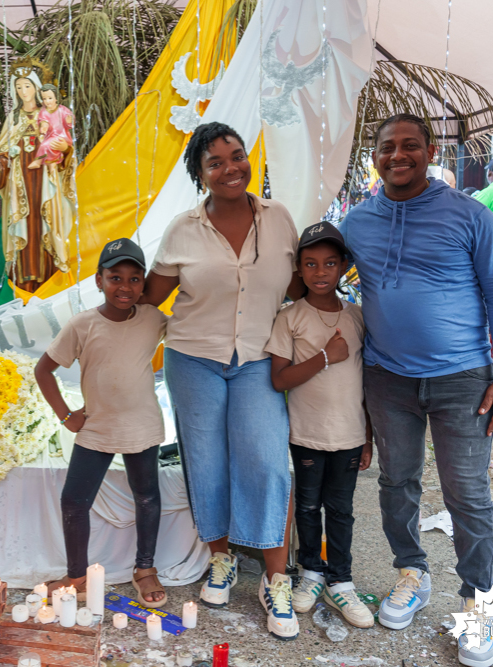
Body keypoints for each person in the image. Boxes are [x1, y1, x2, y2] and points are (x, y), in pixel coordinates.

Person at [341, 113, 493, 667]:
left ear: (429, 150)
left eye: (410, 146)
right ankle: (411, 572)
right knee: (397, 481)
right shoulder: (358, 222)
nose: (399, 155)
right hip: (386, 378)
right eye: (387, 147)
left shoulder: (469, 216)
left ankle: (478, 603)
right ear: (375, 157)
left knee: (467, 493)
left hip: (462, 377)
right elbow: (316, 274)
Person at [141, 122, 304, 639]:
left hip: (258, 358)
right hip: (193, 359)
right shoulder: (182, 229)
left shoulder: (278, 218)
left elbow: (300, 284)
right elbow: (151, 296)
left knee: (264, 457)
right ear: (200, 174)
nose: (231, 167)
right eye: (216, 162)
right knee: (206, 459)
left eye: (236, 156)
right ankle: (222, 557)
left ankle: (276, 578)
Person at [34, 238, 168, 607]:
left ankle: (145, 569)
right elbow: (43, 370)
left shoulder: (154, 319)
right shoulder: (82, 324)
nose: (124, 287)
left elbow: (191, 336)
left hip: (142, 426)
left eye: (134, 279)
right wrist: (65, 415)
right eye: (115, 278)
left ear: (143, 284)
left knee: (147, 497)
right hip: (97, 427)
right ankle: (76, 576)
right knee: (74, 501)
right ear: (98, 281)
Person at [265, 223, 375, 630]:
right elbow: (279, 379)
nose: (320, 271)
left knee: (341, 510)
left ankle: (340, 580)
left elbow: (365, 383)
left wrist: (367, 437)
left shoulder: (358, 317)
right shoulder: (289, 319)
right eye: (310, 264)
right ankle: (311, 573)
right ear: (298, 268)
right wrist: (326, 357)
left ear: (344, 266)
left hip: (348, 435)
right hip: (306, 435)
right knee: (308, 508)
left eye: (330, 263)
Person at [0, 61, 75, 293]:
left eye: (27, 86)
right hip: (20, 182)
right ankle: (23, 285)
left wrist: (64, 149)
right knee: (23, 223)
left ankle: (50, 282)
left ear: (36, 87)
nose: (23, 92)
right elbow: (3, 152)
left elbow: (65, 147)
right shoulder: (13, 118)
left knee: (46, 222)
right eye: (18, 87)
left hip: (45, 179)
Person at [29, 84, 74, 170]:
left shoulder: (62, 109)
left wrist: (69, 121)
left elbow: (69, 122)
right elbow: (43, 121)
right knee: (49, 146)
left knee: (45, 145)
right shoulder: (44, 111)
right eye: (44, 99)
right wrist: (44, 126)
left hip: (62, 136)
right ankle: (52, 165)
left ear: (56, 98)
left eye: (50, 98)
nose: (47, 101)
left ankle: (38, 161)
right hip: (50, 135)